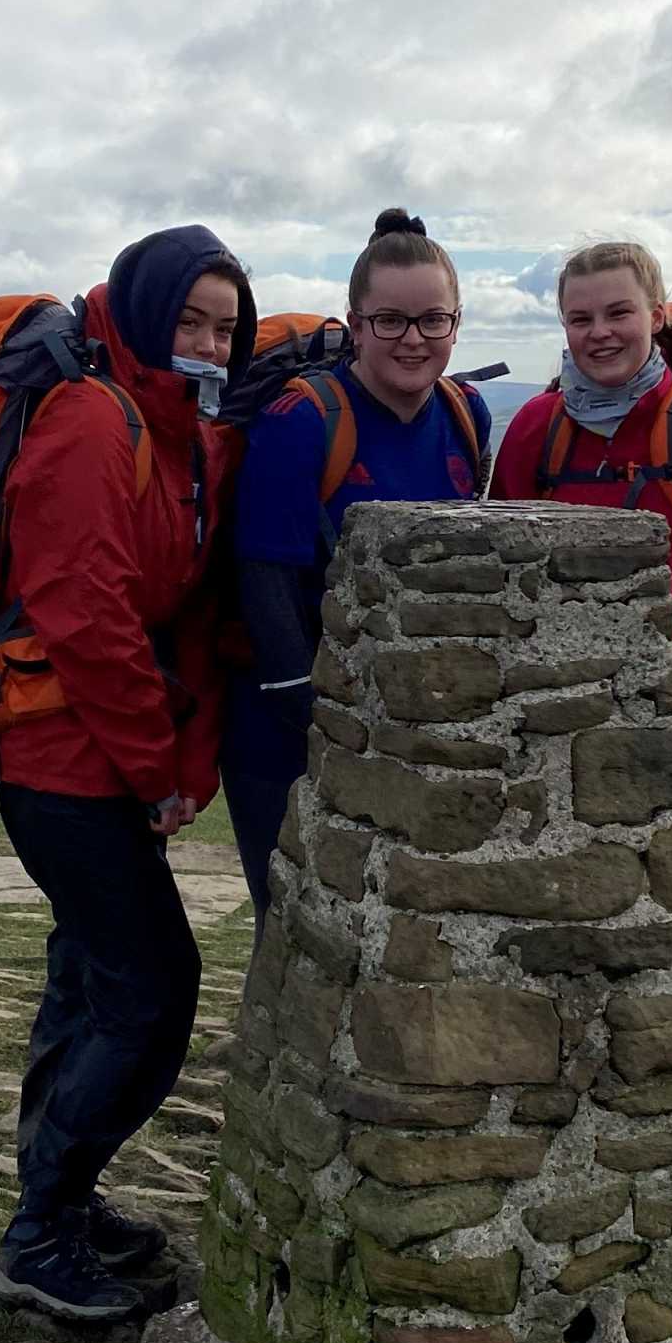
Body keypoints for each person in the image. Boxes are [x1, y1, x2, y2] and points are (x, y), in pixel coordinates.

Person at [0, 224, 253, 1324]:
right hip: (56, 754)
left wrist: (181, 765)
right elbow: (87, 616)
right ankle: (39, 1231)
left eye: (225, 328)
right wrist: (154, 773)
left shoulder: (181, 429)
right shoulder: (95, 422)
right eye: (188, 320)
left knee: (92, 980)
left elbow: (185, 609)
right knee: (151, 992)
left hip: (103, 753)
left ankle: (63, 1200)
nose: (206, 342)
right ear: (143, 314)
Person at [222, 209, 491, 916]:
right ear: (356, 322)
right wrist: (309, 717)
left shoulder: (468, 414)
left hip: (408, 720)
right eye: (389, 321)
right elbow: (264, 575)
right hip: (287, 723)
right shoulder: (302, 420)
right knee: (296, 918)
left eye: (433, 320)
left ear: (456, 323)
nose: (412, 339)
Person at [490, 241, 672, 910]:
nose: (599, 332)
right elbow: (498, 563)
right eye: (580, 319)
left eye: (618, 312)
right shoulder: (535, 427)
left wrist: (573, 629)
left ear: (656, 316)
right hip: (548, 706)